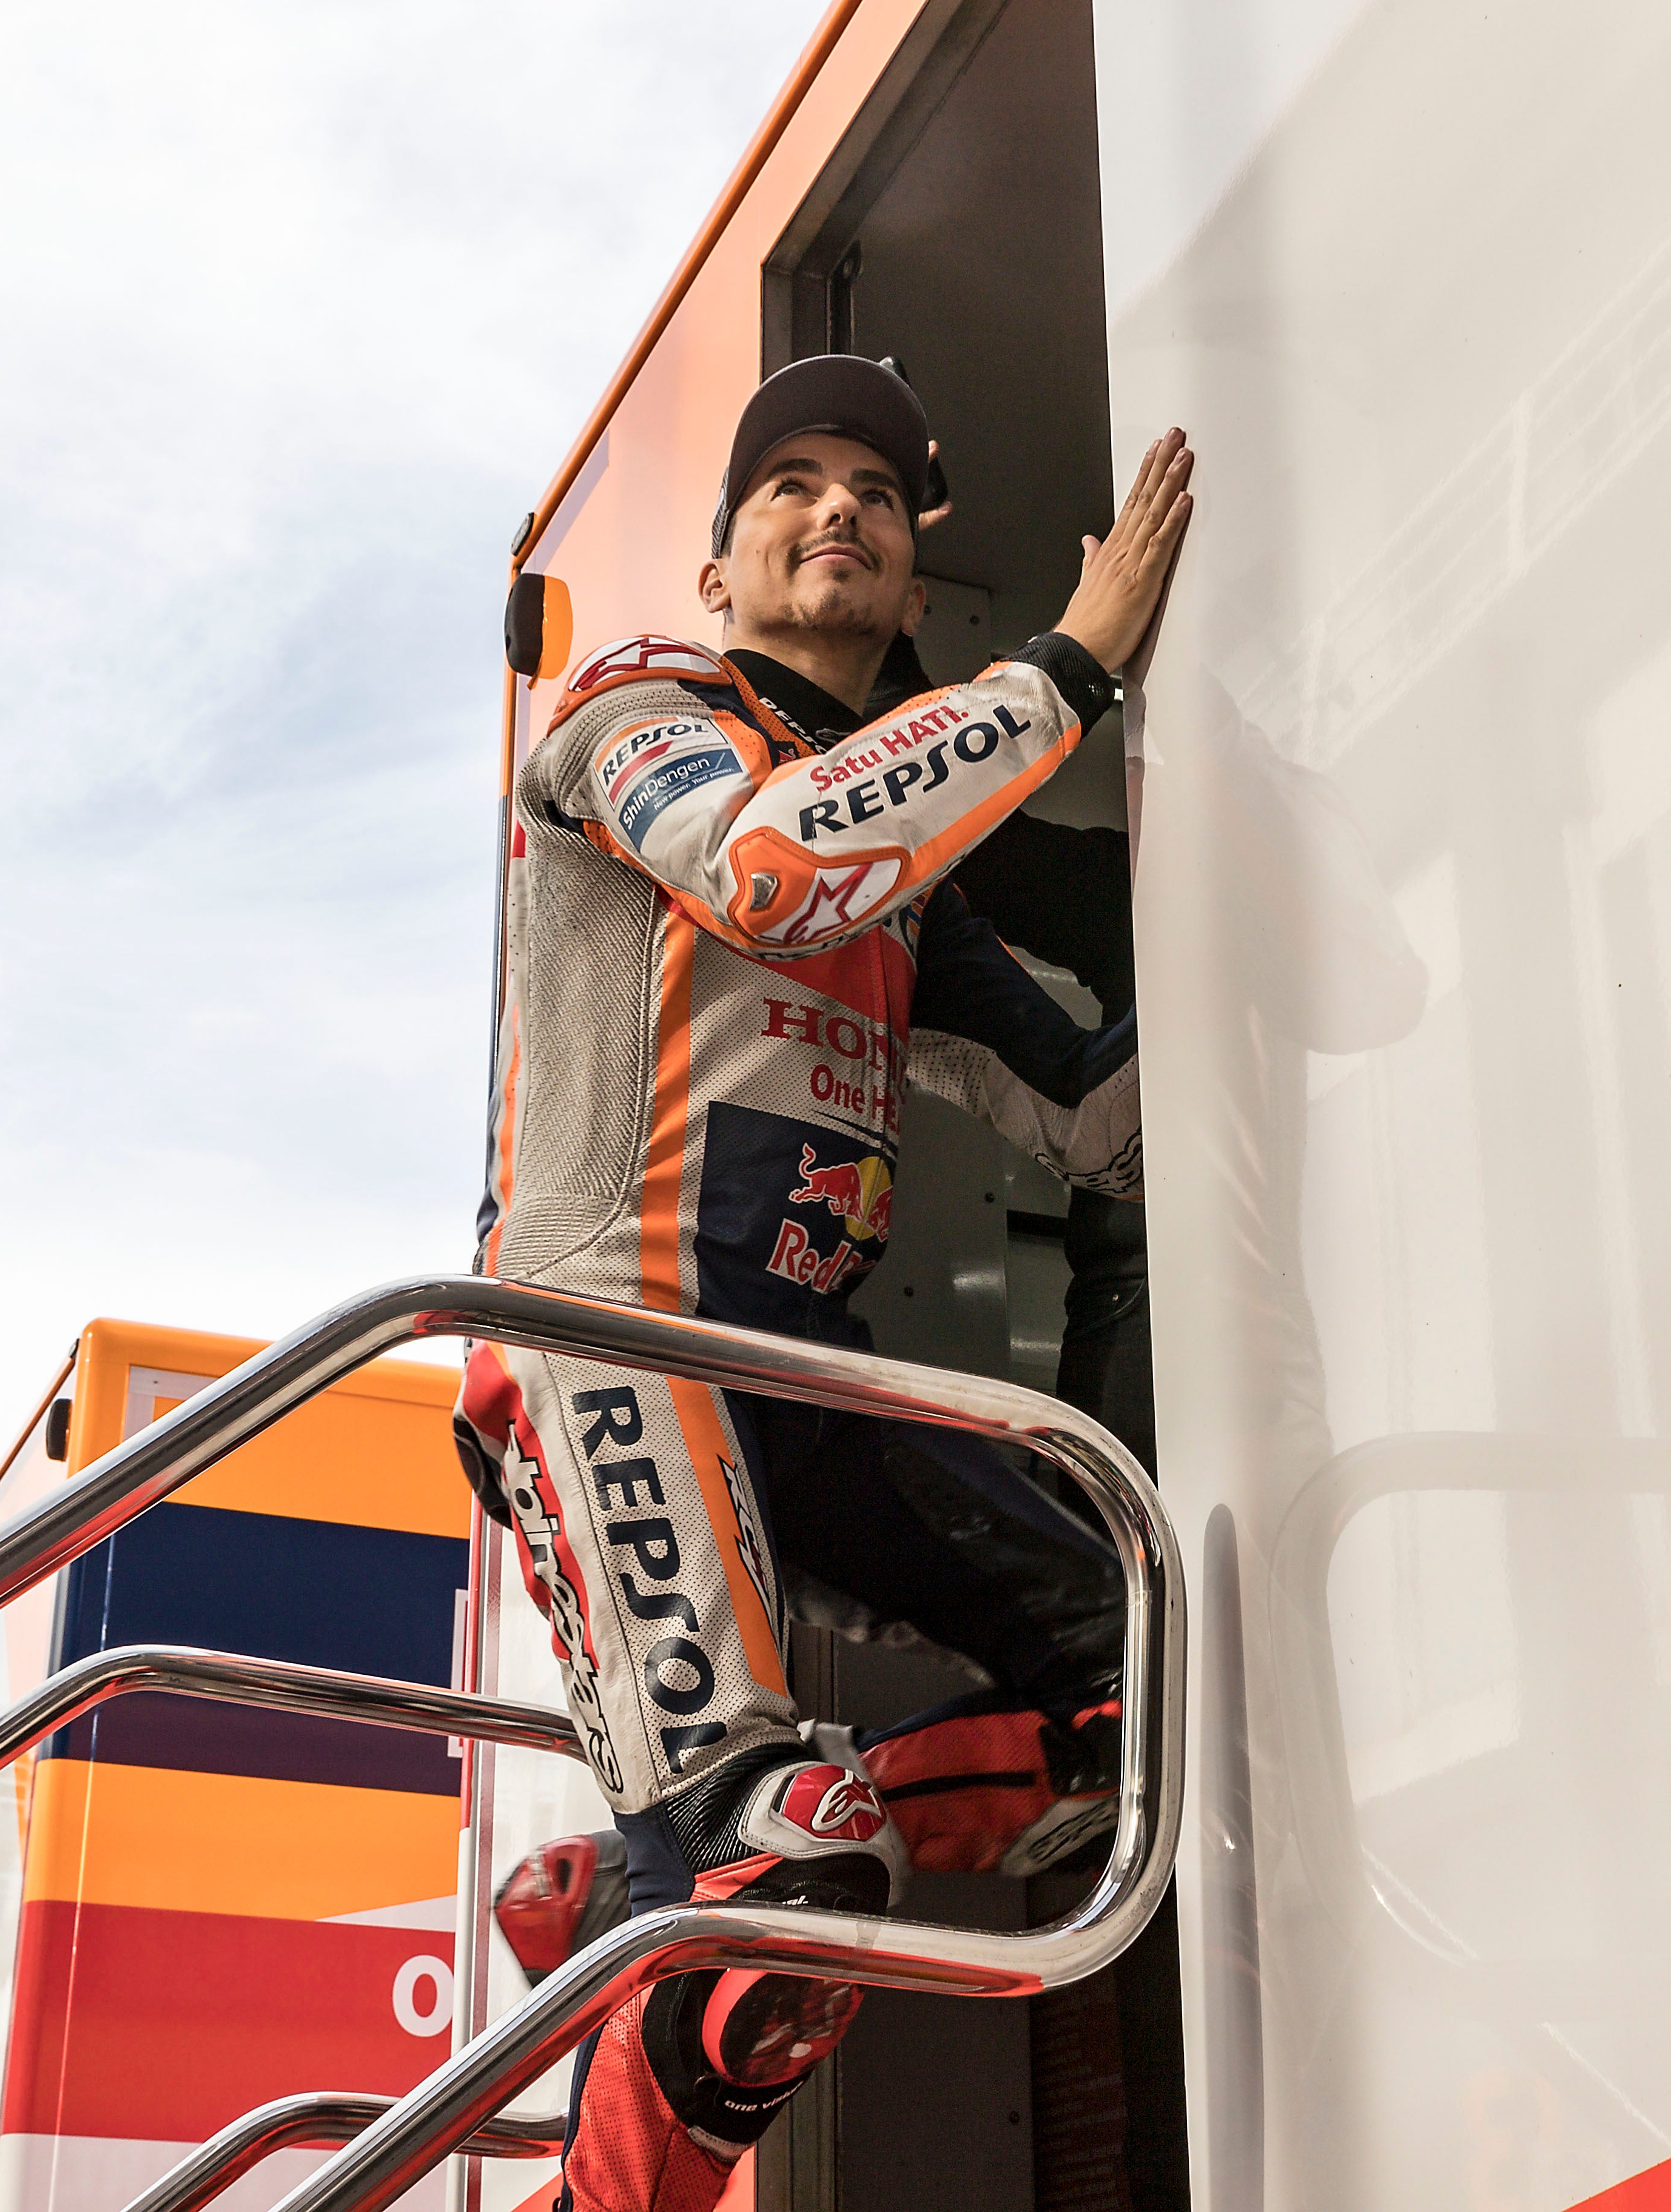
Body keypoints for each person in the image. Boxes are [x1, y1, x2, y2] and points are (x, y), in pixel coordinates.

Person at [458, 353, 1191, 2212]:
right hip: (605, 1338)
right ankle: (676, 1891)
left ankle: (633, 1878)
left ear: (908, 574)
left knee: (1143, 1654)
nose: (837, 507)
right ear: (716, 573)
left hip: (804, 1361)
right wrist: (1071, 670)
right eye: (787, 486)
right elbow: (770, 869)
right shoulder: (635, 713)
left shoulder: (918, 884)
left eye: (872, 485)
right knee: (772, 1880)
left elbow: (1090, 1125)